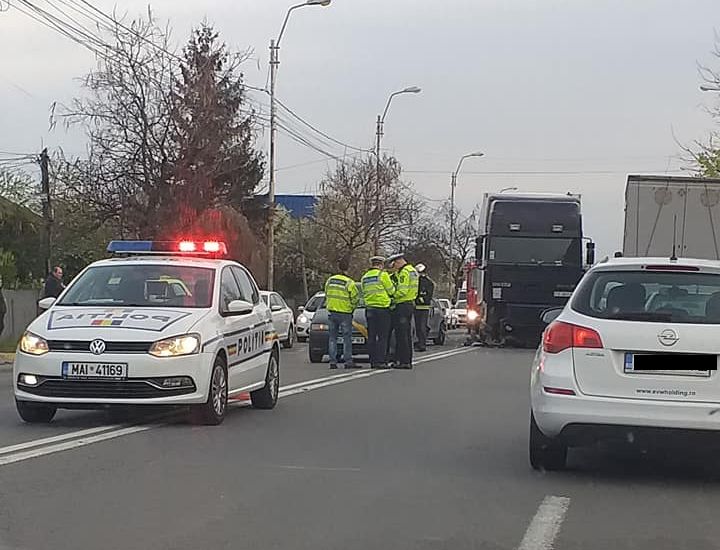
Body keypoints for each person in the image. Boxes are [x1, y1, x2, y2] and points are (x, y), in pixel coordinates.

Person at [324, 257, 359, 369]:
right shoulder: (349, 282)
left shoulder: (330, 280)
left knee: (332, 338)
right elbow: (355, 298)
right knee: (346, 338)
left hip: (332, 312)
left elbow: (326, 293)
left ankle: (332, 362)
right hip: (345, 313)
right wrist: (352, 308)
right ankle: (348, 361)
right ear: (347, 269)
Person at [360, 256, 394, 369]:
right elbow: (391, 291)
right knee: (383, 337)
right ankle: (381, 361)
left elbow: (363, 292)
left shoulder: (365, 277)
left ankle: (373, 361)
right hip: (382, 309)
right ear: (381, 265)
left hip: (369, 309)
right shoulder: (382, 275)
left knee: (371, 336)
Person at [387, 252, 419, 369]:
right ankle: (406, 360)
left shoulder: (404, 272)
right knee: (406, 334)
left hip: (402, 304)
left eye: (394, 265)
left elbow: (402, 291)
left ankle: (403, 361)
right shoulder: (412, 270)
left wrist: (392, 297)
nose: (395, 267)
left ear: (398, 261)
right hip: (409, 304)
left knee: (401, 335)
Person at [413, 263, 435, 352]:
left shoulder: (426, 282)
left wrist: (419, 299)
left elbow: (427, 296)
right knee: (419, 327)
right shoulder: (425, 282)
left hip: (422, 308)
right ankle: (420, 342)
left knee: (421, 327)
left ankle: (422, 344)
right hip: (419, 307)